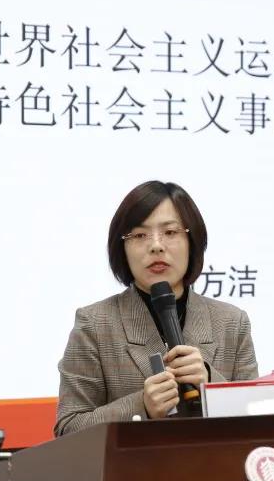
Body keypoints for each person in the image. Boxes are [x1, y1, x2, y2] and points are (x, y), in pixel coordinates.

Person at [54, 181, 259, 436]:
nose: (156, 246)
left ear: (192, 241)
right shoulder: (95, 324)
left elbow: (258, 421)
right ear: (122, 248)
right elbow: (68, 428)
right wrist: (142, 406)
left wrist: (212, 385)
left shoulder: (231, 323)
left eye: (170, 232)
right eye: (140, 235)